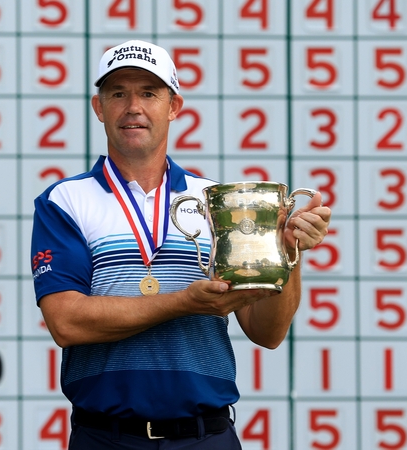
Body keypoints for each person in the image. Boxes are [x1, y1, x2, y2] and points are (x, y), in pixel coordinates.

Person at [30, 39, 331, 449]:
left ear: (174, 107)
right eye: (118, 93)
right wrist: (184, 303)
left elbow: (268, 331)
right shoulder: (64, 201)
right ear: (98, 108)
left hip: (206, 435)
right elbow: (66, 322)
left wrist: (288, 252)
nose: (133, 106)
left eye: (149, 93)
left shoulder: (217, 201)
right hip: (106, 436)